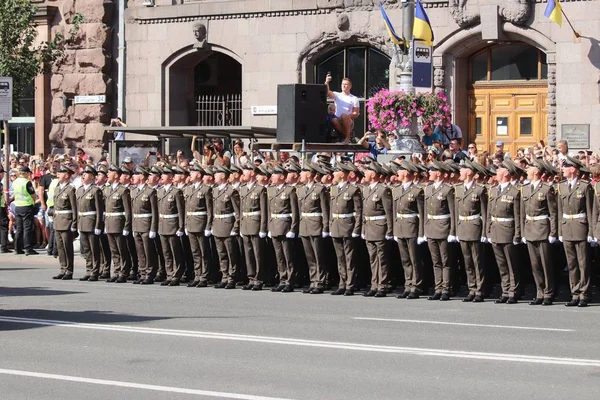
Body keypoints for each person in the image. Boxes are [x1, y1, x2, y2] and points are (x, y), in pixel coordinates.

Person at [558, 156, 593, 307]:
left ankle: (584, 293)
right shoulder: (562, 186)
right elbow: (560, 210)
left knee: (583, 262)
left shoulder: (585, 186)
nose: (563, 169)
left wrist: (591, 232)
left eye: (565, 167)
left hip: (580, 227)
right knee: (571, 263)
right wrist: (560, 229)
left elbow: (591, 211)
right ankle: (575, 292)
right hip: (567, 227)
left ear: (573, 169)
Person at [521, 159, 557, 306]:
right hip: (530, 228)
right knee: (535, 264)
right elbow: (523, 213)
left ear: (536, 171)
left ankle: (548, 292)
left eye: (529, 169)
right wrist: (523, 231)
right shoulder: (525, 188)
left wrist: (553, 232)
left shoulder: (546, 189)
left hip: (542, 228)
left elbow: (553, 212)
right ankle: (539, 292)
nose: (527, 171)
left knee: (545, 263)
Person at [487, 162, 522, 304]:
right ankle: (505, 290)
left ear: (506, 174)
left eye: (499, 170)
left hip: (508, 230)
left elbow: (518, 215)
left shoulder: (514, 192)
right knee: (501, 264)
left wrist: (517, 234)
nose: (496, 172)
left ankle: (514, 291)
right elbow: (490, 213)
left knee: (511, 264)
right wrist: (488, 231)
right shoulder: (493, 190)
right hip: (496, 229)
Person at [391, 160, 425, 299]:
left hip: (412, 226)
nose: (397, 173)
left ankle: (416, 286)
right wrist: (393, 229)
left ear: (405, 172)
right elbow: (394, 211)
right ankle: (408, 284)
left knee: (414, 258)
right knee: (405, 259)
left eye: (399, 170)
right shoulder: (396, 190)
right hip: (400, 226)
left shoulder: (417, 191)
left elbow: (422, 214)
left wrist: (422, 232)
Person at [455, 160, 487, 302]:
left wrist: (485, 232)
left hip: (474, 227)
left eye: (462, 171)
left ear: (468, 172)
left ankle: (480, 290)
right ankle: (471, 288)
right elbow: (456, 211)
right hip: (463, 226)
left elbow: (485, 213)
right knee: (467, 261)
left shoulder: (480, 189)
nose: (459, 173)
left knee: (477, 261)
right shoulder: (458, 189)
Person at [424, 160, 456, 301]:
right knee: (435, 260)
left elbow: (453, 212)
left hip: (443, 227)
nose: (429, 173)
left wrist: (452, 231)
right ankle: (438, 288)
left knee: (445, 260)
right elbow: (426, 211)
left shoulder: (448, 189)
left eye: (431, 171)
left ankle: (446, 288)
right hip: (431, 226)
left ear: (438, 173)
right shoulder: (428, 188)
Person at [329, 162, 363, 296]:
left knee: (349, 257)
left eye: (335, 171)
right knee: (340, 257)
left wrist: (356, 229)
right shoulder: (334, 189)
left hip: (348, 225)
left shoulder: (353, 189)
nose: (333, 174)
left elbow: (358, 211)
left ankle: (350, 283)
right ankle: (342, 283)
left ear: (342, 174)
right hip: (336, 225)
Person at [298, 163, 331, 294]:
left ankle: (321, 281)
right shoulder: (301, 190)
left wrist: (325, 227)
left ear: (309, 174)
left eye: (302, 172)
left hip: (316, 224)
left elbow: (325, 210)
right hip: (305, 224)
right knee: (310, 256)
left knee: (319, 255)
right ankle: (313, 280)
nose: (300, 175)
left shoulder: (320, 189)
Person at [268, 166, 300, 292]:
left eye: (274, 175)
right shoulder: (271, 190)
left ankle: (290, 280)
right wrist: (269, 227)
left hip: (285, 225)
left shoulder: (290, 190)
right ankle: (282, 278)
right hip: (275, 225)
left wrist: (293, 228)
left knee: (288, 255)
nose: (272, 177)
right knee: (279, 255)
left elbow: (294, 211)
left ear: (281, 176)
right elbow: (269, 210)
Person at [211, 166, 240, 289]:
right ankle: (224, 276)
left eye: (216, 174)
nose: (214, 177)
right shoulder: (215, 190)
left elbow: (237, 212)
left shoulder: (231, 191)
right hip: (217, 224)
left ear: (223, 176)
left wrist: (236, 227)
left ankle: (231, 278)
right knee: (221, 253)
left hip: (228, 225)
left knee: (230, 254)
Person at [157, 166, 186, 286]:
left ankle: (176, 275)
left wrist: (180, 227)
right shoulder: (160, 191)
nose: (162, 176)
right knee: (166, 252)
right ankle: (169, 274)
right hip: (163, 225)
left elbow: (181, 211)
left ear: (170, 177)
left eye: (164, 174)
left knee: (175, 252)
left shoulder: (176, 192)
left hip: (173, 225)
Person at [76, 165, 104, 282]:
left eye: (86, 174)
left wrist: (98, 225)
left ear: (92, 176)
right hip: (82, 222)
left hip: (91, 223)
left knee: (94, 248)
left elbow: (99, 210)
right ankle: (88, 269)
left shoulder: (95, 190)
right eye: (83, 174)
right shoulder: (80, 190)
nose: (83, 176)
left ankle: (95, 271)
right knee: (86, 249)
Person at [52, 165, 78, 280]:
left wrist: (74, 223)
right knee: (60, 247)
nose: (58, 174)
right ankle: (62, 268)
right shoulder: (57, 188)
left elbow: (74, 208)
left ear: (67, 175)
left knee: (67, 247)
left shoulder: (70, 189)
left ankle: (69, 270)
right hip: (58, 220)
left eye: (61, 172)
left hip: (66, 221)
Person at [325, 75, 359, 142]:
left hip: (348, 121)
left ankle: (347, 138)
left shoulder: (354, 98)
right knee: (333, 120)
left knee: (344, 115)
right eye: (342, 84)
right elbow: (327, 93)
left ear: (350, 86)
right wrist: (327, 82)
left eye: (346, 84)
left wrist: (346, 116)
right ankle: (347, 136)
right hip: (338, 120)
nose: (344, 85)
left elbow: (356, 113)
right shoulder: (337, 95)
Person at [12, 166, 37, 255]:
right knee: (27, 228)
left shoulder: (15, 182)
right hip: (26, 206)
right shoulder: (27, 182)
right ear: (26, 173)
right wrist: (33, 202)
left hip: (17, 206)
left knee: (19, 229)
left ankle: (17, 248)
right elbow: (33, 195)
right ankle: (28, 248)